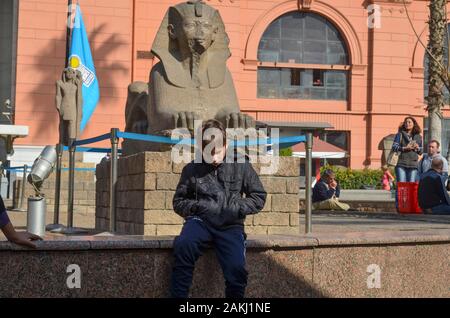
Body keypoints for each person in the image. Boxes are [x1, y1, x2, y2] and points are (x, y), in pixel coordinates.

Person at [170, 119, 267, 298]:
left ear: (226, 144)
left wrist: (235, 208)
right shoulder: (191, 169)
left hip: (231, 225)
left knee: (237, 268)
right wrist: (199, 207)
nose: (214, 158)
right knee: (184, 245)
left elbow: (258, 196)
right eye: (209, 153)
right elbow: (179, 201)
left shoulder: (241, 165)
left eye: (218, 152)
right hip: (200, 222)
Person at [391, 116, 423, 182]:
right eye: (406, 122)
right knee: (402, 186)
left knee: (411, 186)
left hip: (413, 164)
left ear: (414, 124)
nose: (407, 124)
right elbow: (394, 147)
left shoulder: (418, 136)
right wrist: (404, 148)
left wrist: (417, 148)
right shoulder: (399, 134)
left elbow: (420, 152)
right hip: (401, 164)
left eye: (409, 122)